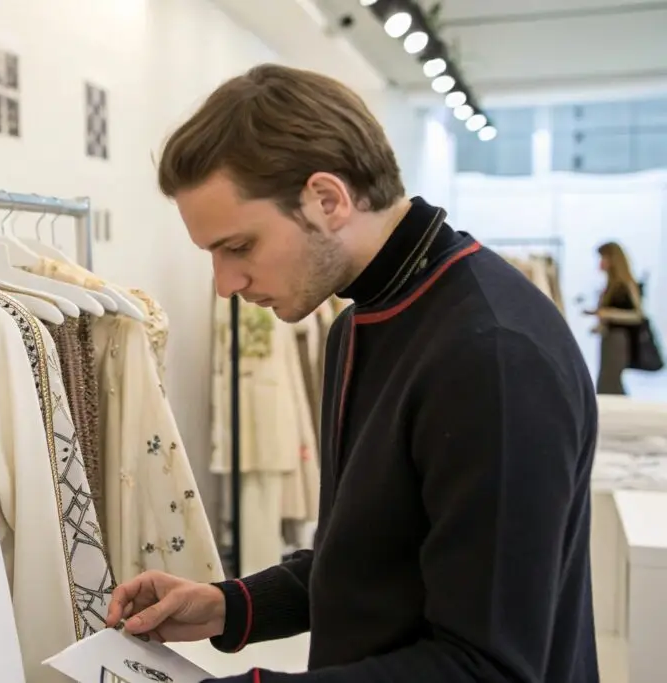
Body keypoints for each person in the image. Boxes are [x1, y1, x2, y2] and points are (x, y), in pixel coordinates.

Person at [106, 64, 600, 683]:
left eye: (238, 247)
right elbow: (372, 559)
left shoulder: (491, 354)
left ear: (327, 199)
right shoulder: (360, 322)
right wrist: (231, 606)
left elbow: (486, 667)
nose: (226, 284)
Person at [587, 241, 643, 394]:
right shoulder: (609, 286)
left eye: (603, 258)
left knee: (610, 381)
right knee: (607, 380)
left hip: (619, 338)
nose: (601, 262)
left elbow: (637, 315)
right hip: (608, 337)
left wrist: (608, 313)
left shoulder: (626, 285)